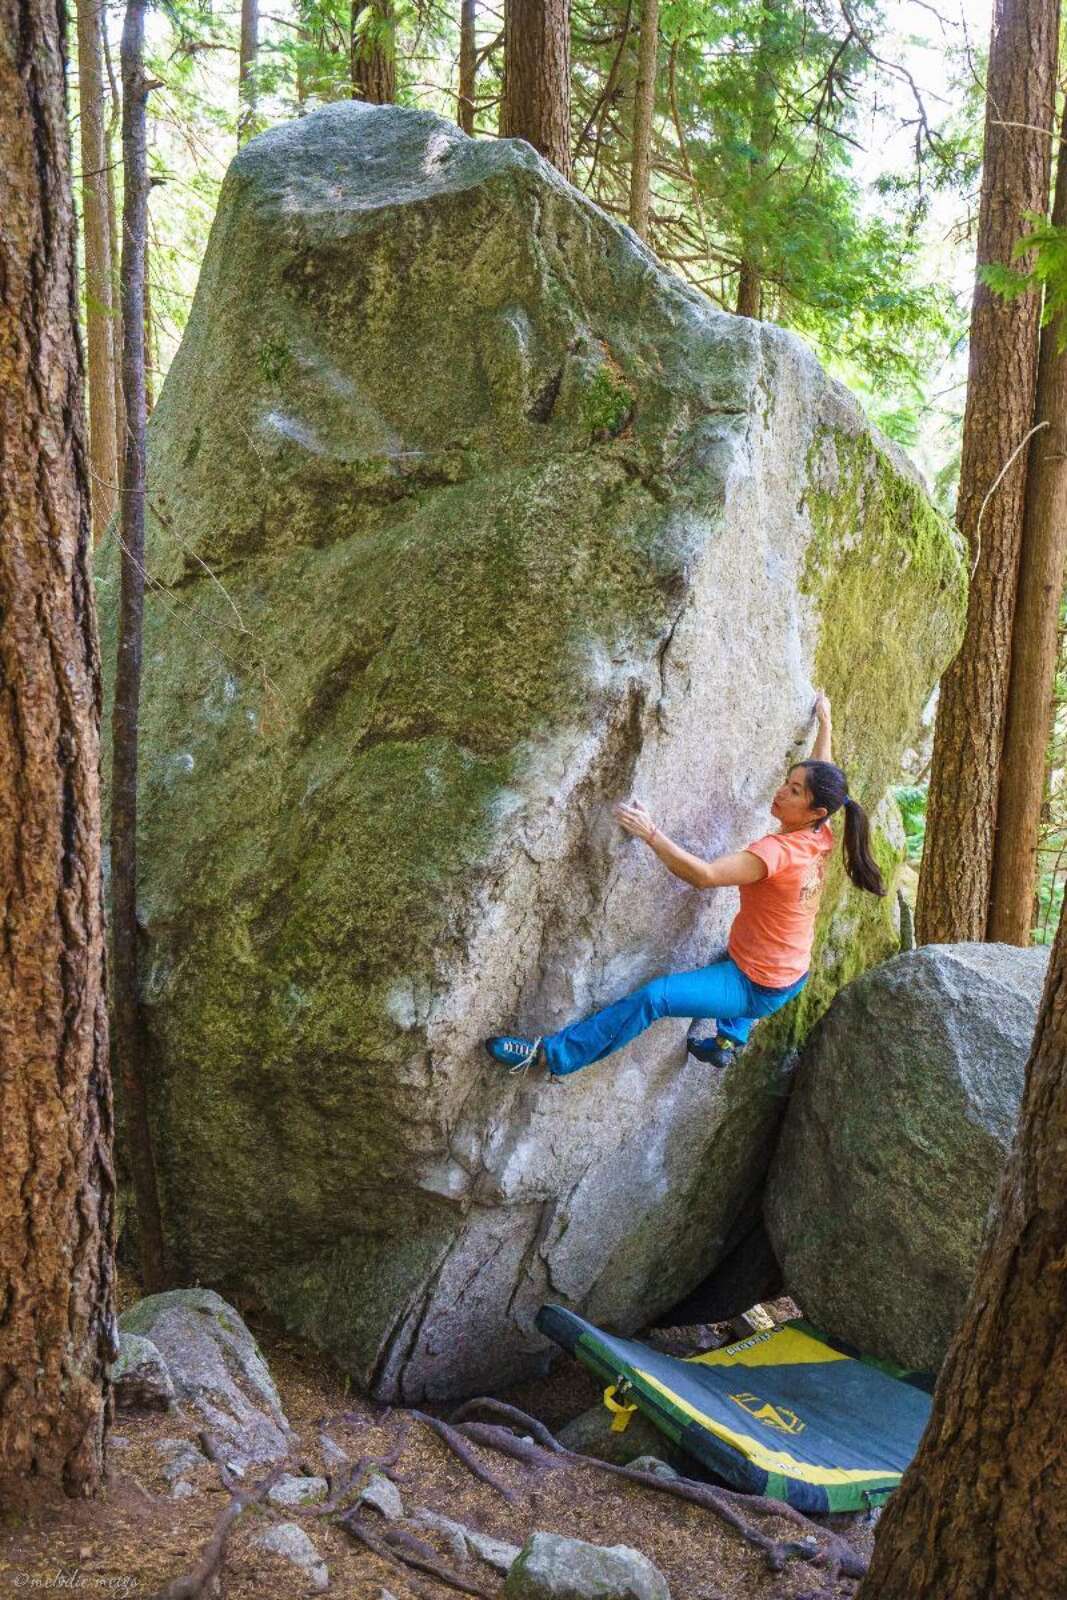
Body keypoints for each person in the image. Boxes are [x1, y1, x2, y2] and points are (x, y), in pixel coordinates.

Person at [485, 693, 886, 1079]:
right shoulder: (821, 832)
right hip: (791, 968)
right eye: (787, 781)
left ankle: (551, 1055)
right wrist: (825, 720)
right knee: (734, 954)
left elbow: (705, 876)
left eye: (794, 791)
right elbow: (824, 772)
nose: (781, 792)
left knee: (656, 998)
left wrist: (651, 833)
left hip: (756, 983)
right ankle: (729, 1040)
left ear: (814, 811)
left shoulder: (776, 854)